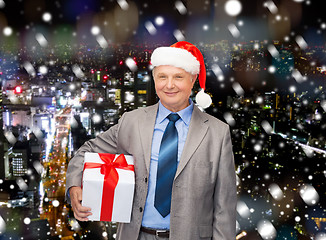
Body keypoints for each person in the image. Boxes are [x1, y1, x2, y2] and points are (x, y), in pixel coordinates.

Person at [65, 41, 237, 240]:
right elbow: (87, 150)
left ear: (193, 80)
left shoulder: (217, 132)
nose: (169, 85)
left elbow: (225, 206)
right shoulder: (132, 121)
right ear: (154, 79)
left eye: (178, 77)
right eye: (162, 77)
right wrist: (74, 185)